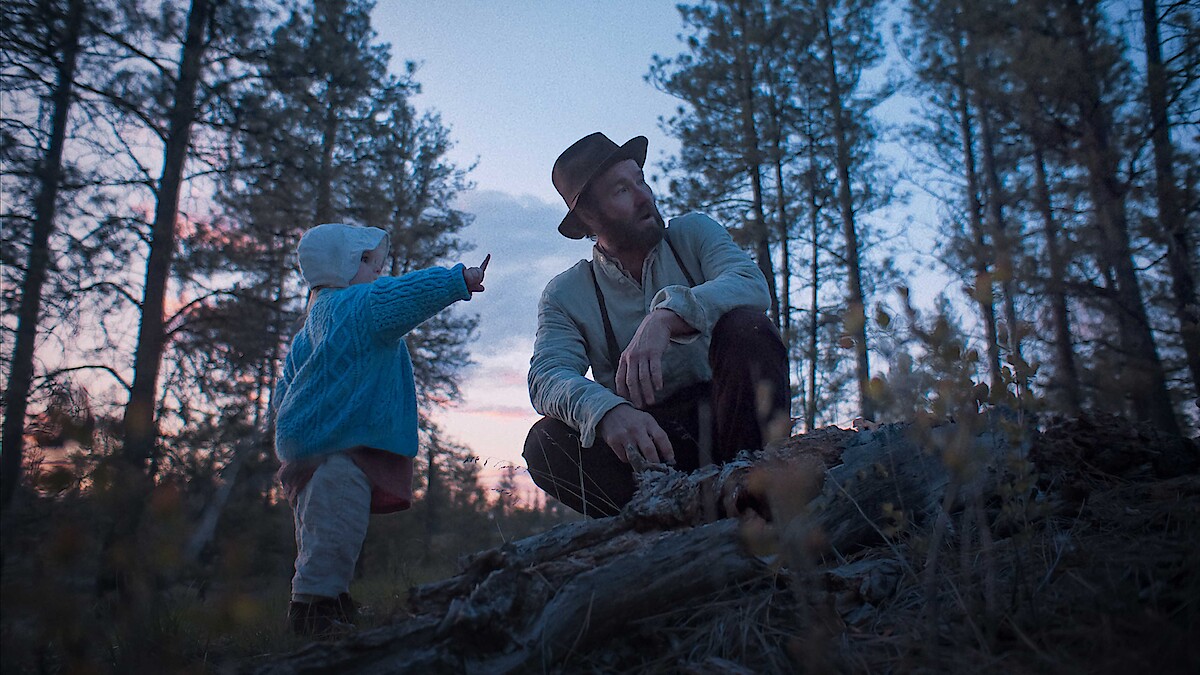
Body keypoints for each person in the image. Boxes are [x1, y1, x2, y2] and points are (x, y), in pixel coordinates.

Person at [524, 132, 791, 518]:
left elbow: (750, 284)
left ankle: (756, 504)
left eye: (640, 181)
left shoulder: (693, 234)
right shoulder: (566, 293)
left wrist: (666, 317)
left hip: (733, 420)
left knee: (747, 328)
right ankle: (660, 526)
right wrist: (605, 410)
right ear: (588, 218)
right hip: (648, 447)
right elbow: (547, 376)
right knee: (545, 442)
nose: (644, 196)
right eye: (621, 190)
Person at [273, 222, 489, 638]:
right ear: (338, 267)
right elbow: (407, 294)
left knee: (318, 531)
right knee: (337, 529)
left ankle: (330, 598)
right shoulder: (360, 306)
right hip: (340, 447)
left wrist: (289, 428)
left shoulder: (311, 325)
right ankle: (314, 611)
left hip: (306, 450)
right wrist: (457, 279)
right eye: (366, 260)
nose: (377, 270)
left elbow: (285, 388)